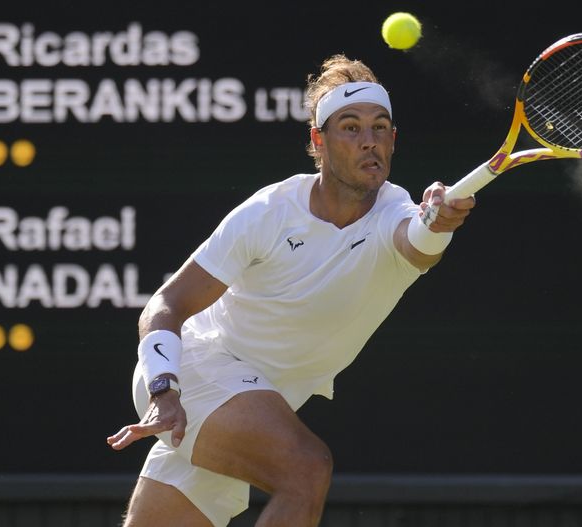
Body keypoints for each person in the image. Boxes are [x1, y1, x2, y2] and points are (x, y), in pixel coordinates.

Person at [106, 53, 476, 527]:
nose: (369, 141)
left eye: (380, 128)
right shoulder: (269, 212)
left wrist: (439, 224)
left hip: (258, 405)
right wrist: (164, 387)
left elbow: (419, 244)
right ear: (319, 141)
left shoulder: (395, 214)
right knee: (305, 469)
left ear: (393, 140)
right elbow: (166, 304)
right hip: (192, 372)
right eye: (350, 127)